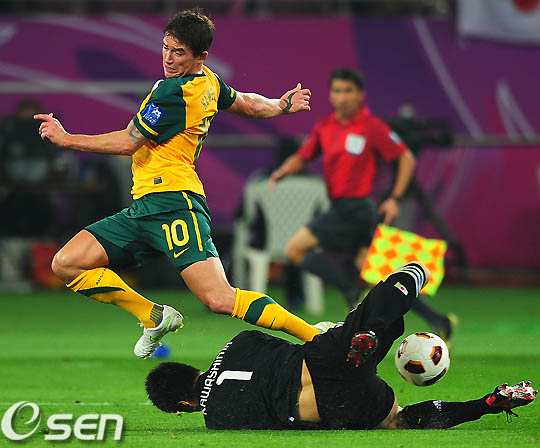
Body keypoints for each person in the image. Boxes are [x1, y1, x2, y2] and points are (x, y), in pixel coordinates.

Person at [34, 8, 320, 358]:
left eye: (179, 52)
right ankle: (153, 317)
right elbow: (246, 103)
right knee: (66, 262)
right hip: (146, 206)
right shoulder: (209, 82)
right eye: (166, 48)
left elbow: (128, 142)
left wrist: (67, 139)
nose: (168, 58)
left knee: (219, 299)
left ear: (201, 56)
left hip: (174, 203)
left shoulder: (173, 93)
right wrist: (280, 105)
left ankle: (315, 337)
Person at [145, 261, 537, 430]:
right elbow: (287, 334)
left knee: (397, 419)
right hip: (325, 360)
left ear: (183, 406)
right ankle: (385, 312)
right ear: (191, 369)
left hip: (335, 409)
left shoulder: (217, 420)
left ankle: (486, 404)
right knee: (389, 296)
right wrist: (326, 334)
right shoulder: (239, 344)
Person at [269, 67, 456, 341]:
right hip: (344, 209)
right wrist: (282, 171)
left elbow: (406, 159)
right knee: (378, 276)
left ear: (360, 95)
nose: (342, 97)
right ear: (330, 95)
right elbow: (303, 156)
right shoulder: (325, 126)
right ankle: (438, 320)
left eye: (348, 91)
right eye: (337, 91)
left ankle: (350, 291)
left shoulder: (372, 126)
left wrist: (394, 198)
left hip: (356, 208)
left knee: (295, 249)